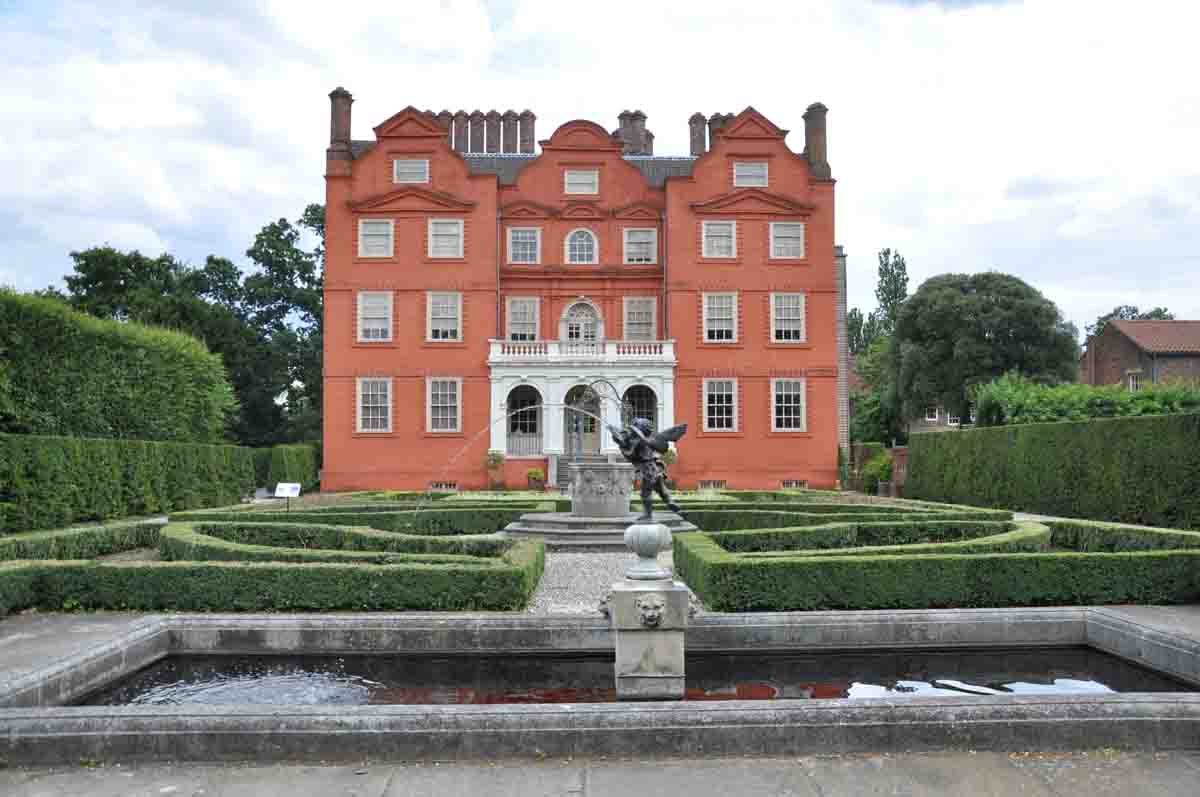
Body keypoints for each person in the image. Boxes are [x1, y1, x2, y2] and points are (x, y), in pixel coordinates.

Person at [606, 418, 687, 520]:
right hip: (656, 468)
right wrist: (616, 434)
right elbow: (624, 441)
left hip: (648, 470)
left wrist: (618, 436)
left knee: (645, 492)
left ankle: (647, 515)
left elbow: (627, 448)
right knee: (661, 489)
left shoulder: (641, 442)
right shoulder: (649, 440)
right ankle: (671, 502)